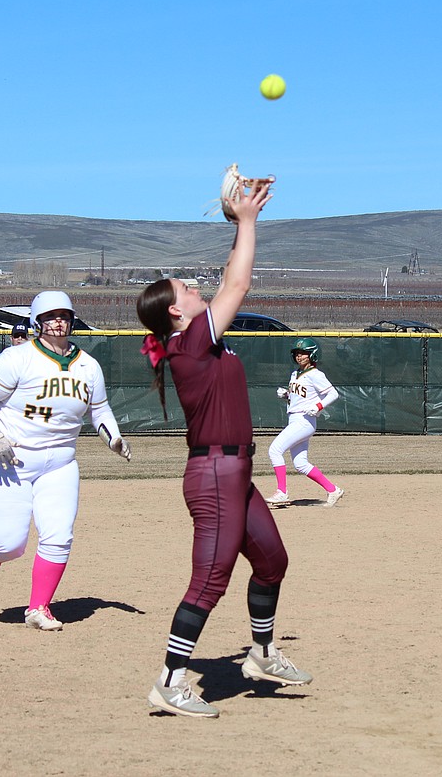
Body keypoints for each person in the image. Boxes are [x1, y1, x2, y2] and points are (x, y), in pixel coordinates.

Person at [135, 177, 311, 719]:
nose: (196, 288)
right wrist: (250, 223)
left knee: (272, 561)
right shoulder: (188, 344)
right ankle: (169, 680)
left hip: (235, 472)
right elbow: (238, 284)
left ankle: (260, 654)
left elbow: (228, 279)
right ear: (174, 313)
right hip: (214, 475)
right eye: (186, 289)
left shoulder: (192, 337)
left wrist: (237, 225)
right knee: (210, 580)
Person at [0, 290, 132, 631]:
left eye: (64, 316)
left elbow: (98, 410)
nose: (59, 322)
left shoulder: (88, 365)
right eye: (51, 316)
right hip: (8, 460)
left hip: (59, 463)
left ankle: (39, 608)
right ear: (37, 322)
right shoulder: (18, 358)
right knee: (9, 544)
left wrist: (113, 437)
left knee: (58, 535)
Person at [265, 337, 344, 507]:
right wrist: (287, 394)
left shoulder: (316, 374)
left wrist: (319, 406)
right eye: (297, 353)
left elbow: (333, 394)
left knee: (275, 450)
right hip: (295, 419)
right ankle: (333, 490)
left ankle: (282, 492)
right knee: (300, 464)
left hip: (304, 421)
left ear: (312, 355)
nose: (299, 356)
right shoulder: (295, 374)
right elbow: (300, 398)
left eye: (304, 353)